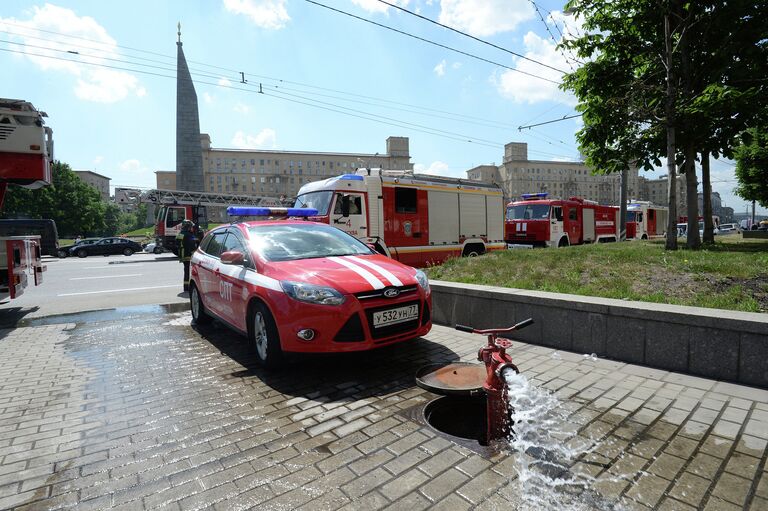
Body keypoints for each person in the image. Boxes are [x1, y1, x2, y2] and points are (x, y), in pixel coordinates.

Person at [176, 220, 198, 292]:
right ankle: (188, 287)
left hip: (182, 255)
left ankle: (185, 287)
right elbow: (192, 245)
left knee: (186, 271)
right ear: (188, 227)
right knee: (190, 271)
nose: (192, 228)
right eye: (191, 227)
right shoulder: (189, 235)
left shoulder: (180, 234)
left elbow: (177, 243)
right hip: (188, 255)